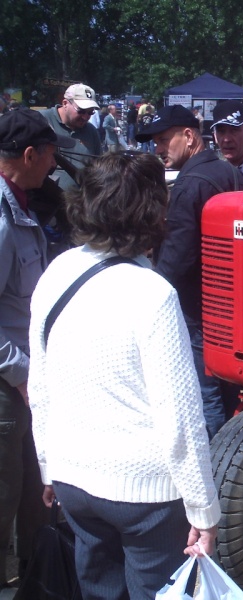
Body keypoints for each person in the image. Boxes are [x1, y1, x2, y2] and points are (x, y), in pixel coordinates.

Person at [27, 152, 220, 599]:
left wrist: (47, 467)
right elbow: (181, 422)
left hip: (73, 477)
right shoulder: (153, 294)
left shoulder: (57, 271)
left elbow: (41, 384)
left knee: (99, 590)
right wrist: (204, 512)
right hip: (145, 495)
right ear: (155, 211)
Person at [136, 105, 243, 438]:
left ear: (188, 136)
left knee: (205, 395)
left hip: (198, 310)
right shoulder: (228, 172)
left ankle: (214, 469)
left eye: (162, 139)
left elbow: (176, 262)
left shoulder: (190, 185)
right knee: (229, 390)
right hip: (229, 304)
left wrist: (147, 293)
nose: (157, 149)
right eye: (154, 141)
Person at [0, 108, 75, 590]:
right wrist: (22, 375)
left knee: (32, 499)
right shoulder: (3, 219)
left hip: (19, 384)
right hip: (8, 388)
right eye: (50, 156)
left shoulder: (21, 202)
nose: (54, 165)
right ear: (30, 155)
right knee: (7, 500)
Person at [38, 83, 103, 191]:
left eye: (90, 112)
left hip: (80, 201)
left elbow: (99, 167)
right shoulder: (41, 120)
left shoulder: (91, 131)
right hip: (43, 201)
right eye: (81, 111)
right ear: (65, 103)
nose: (86, 117)